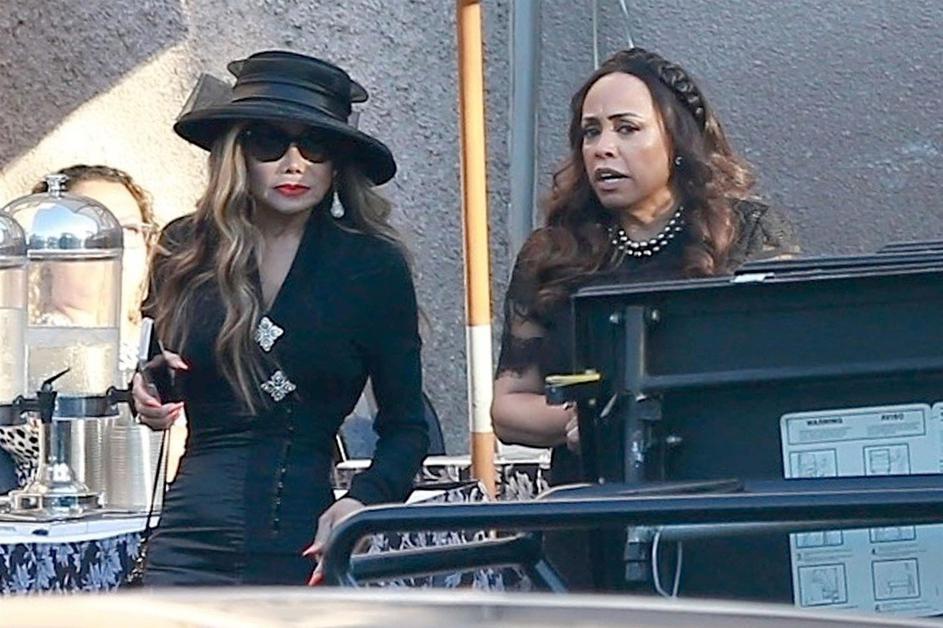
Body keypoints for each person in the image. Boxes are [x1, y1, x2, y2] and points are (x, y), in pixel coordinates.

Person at [132, 50, 429, 586]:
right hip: (184, 542)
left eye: (315, 146)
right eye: (269, 142)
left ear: (336, 164)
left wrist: (362, 501)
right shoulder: (184, 249)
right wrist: (147, 391)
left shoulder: (369, 267)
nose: (295, 164)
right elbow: (162, 368)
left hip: (303, 543)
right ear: (236, 154)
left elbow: (407, 429)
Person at [492, 48, 799, 487]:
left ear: (677, 140)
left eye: (627, 129)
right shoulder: (553, 251)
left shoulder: (746, 232)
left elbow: (785, 372)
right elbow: (508, 407)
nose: (603, 149)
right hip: (594, 499)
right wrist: (582, 419)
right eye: (591, 132)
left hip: (718, 491)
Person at [0, 165, 161, 488]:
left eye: (129, 229)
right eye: (87, 229)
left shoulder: (168, 337)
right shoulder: (15, 350)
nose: (111, 242)